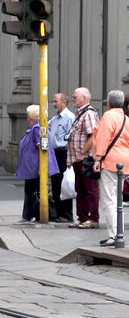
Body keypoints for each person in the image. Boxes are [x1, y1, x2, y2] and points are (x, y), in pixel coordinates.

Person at [90, 90, 129, 247]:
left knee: (109, 199)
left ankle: (114, 235)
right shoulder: (126, 119)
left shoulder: (108, 117)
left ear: (108, 103)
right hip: (124, 161)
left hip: (111, 161)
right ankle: (118, 233)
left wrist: (97, 159)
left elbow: (103, 138)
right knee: (118, 198)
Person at [16, 104, 58, 224]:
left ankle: (28, 215)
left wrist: (41, 167)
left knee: (31, 191)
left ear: (30, 116)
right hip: (33, 167)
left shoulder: (36, 129)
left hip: (34, 169)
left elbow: (41, 148)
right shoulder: (37, 128)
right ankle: (33, 214)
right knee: (33, 190)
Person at [67, 87, 100, 228]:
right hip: (77, 159)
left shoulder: (89, 114)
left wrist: (82, 153)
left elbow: (93, 136)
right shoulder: (80, 114)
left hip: (85, 159)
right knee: (80, 189)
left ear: (84, 98)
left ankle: (92, 218)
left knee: (89, 189)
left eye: (75, 97)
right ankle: (82, 217)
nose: (72, 99)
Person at [48, 92, 76, 222]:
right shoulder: (55, 119)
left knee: (64, 184)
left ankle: (66, 214)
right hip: (55, 153)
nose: (54, 104)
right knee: (55, 183)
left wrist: (70, 157)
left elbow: (71, 137)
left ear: (64, 102)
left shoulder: (69, 117)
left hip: (63, 153)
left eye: (56, 101)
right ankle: (58, 213)